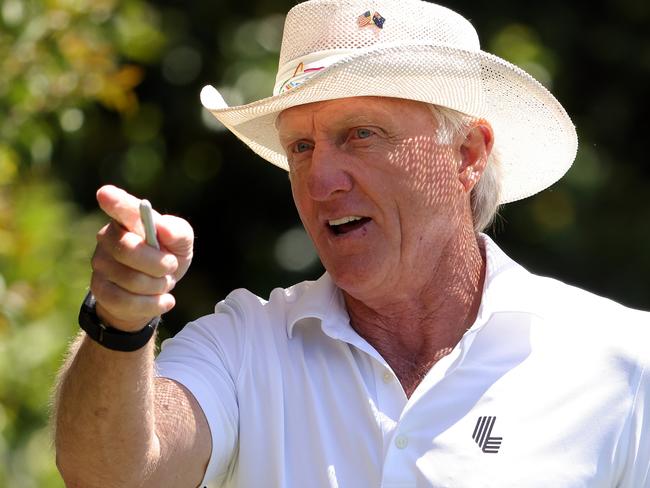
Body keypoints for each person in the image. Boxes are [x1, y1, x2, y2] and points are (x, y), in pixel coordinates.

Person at [53, 0, 650, 487]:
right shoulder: (245, 346)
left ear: (467, 154)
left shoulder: (622, 362)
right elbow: (111, 475)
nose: (319, 181)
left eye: (361, 134)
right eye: (301, 148)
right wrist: (121, 321)